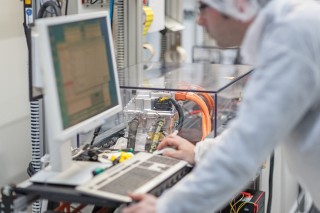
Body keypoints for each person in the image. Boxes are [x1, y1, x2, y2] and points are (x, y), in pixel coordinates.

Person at [122, 0, 320, 212]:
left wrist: (166, 208)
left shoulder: (292, 39)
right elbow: (249, 132)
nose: (199, 21)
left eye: (203, 8)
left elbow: (244, 149)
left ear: (238, 5)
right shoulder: (295, 26)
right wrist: (201, 152)